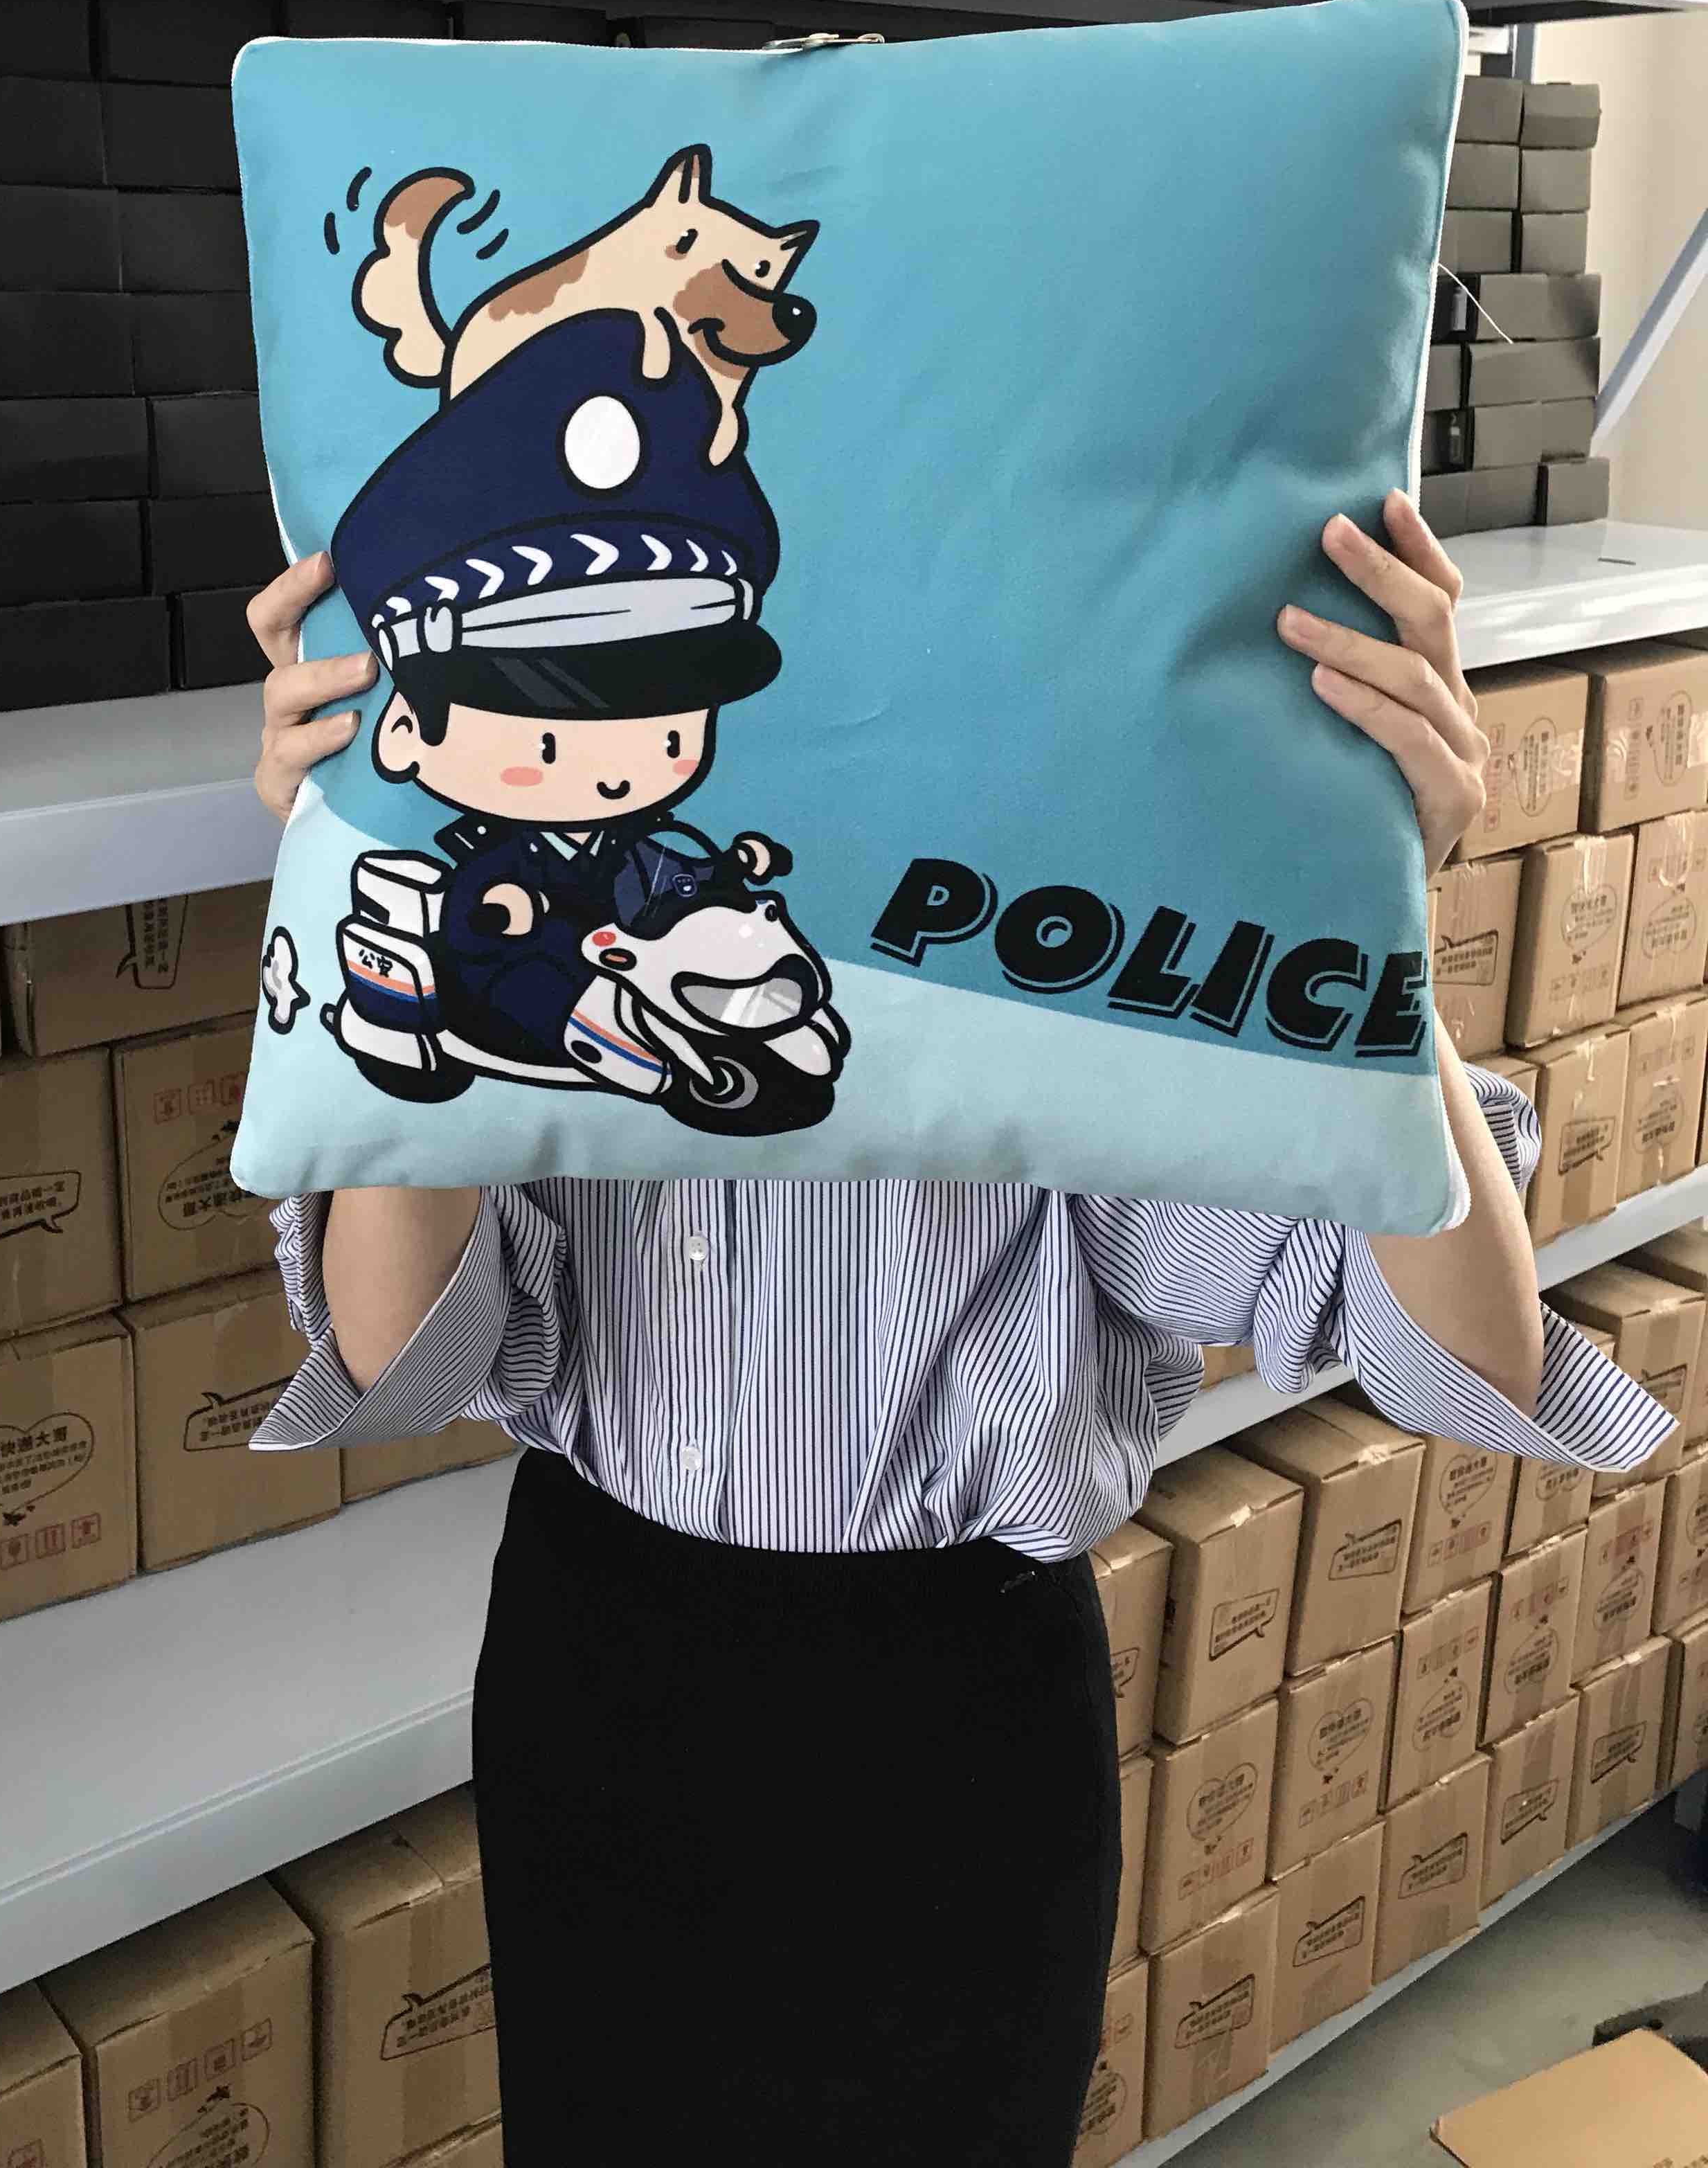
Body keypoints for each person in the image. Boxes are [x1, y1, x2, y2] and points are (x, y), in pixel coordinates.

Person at [244, 491, 1672, 2168]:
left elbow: (1462, 1351)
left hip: (959, 1712)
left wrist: (1355, 911)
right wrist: (376, 848)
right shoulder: (552, 896)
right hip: (607, 1668)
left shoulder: (1060, 906)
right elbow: (399, 1349)